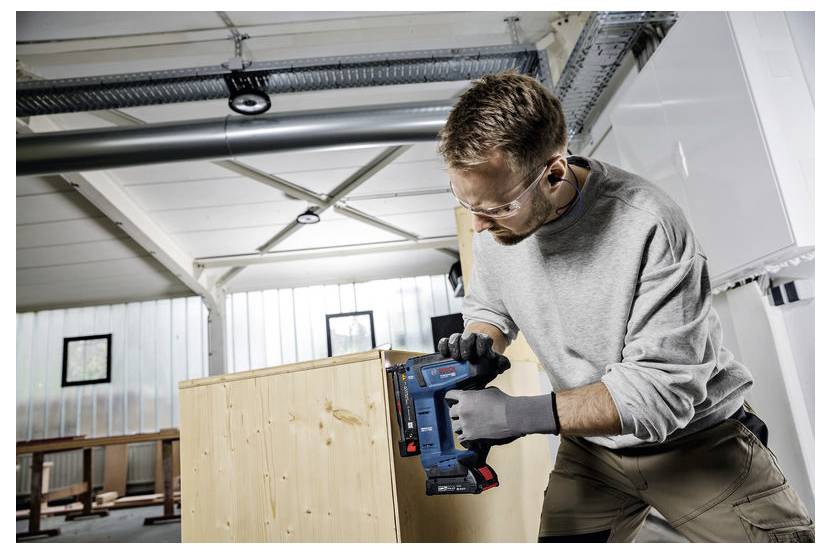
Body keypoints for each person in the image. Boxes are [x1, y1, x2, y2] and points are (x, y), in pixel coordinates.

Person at [436, 71, 814, 543]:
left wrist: (516, 416)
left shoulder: (648, 224)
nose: (477, 225)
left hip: (696, 441)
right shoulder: (498, 228)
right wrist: (481, 341)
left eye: (498, 206)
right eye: (466, 202)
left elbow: (658, 395)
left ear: (553, 173)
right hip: (591, 451)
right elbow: (490, 306)